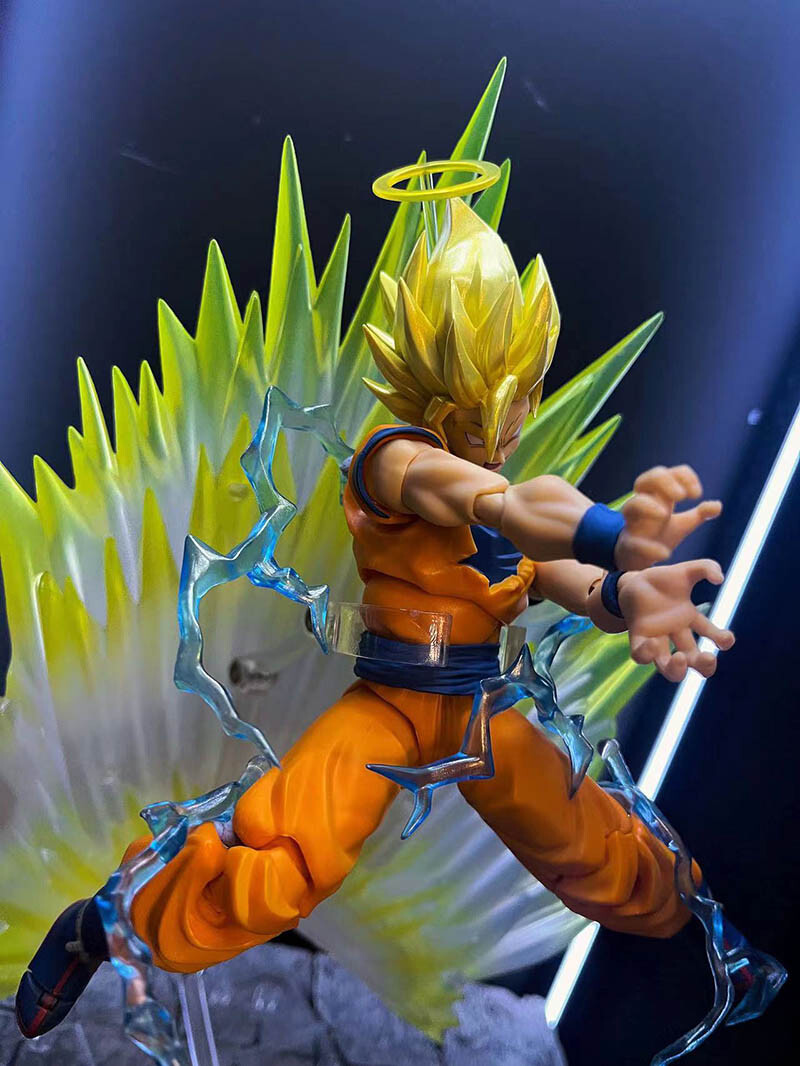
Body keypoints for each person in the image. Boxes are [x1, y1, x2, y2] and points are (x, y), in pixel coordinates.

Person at [16, 197, 733, 1038]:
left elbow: (558, 576)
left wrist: (627, 595)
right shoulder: (395, 463)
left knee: (618, 867)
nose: (510, 423)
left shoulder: (495, 492)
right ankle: (103, 922)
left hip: (480, 715)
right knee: (277, 868)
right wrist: (613, 533)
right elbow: (504, 504)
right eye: (499, 399)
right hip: (389, 709)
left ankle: (714, 937)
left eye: (521, 396)